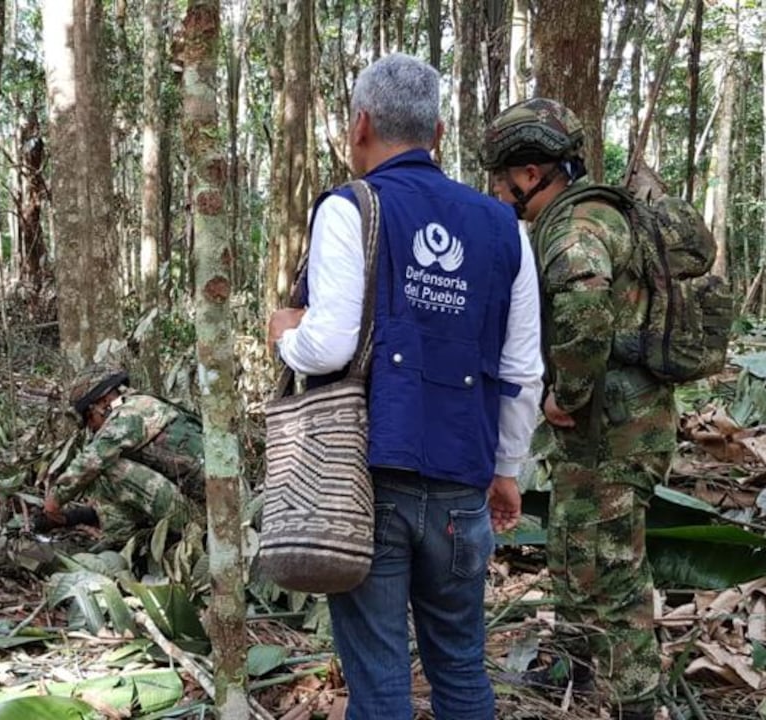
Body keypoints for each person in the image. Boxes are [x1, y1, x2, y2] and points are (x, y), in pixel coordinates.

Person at [267, 53, 544, 719]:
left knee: (381, 687)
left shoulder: (350, 207)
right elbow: (523, 370)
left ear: (359, 124)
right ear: (439, 133)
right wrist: (507, 469)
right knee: (461, 671)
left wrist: (283, 332)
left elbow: (328, 343)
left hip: (369, 485)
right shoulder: (505, 227)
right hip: (461, 486)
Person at [480, 98, 672, 720]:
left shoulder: (575, 227)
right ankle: (576, 669)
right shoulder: (594, 213)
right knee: (575, 554)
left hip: (615, 428)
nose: (500, 190)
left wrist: (569, 392)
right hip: (612, 428)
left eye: (503, 177)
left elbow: (586, 307)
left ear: (530, 173)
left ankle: (636, 700)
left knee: (612, 573)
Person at [42, 363, 204, 550]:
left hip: (199, 518)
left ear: (100, 404)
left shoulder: (129, 414)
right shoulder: (144, 403)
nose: (92, 428)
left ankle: (121, 541)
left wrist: (54, 500)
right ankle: (126, 538)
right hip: (208, 509)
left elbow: (92, 461)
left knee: (107, 466)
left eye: (89, 418)